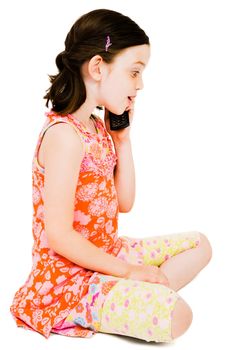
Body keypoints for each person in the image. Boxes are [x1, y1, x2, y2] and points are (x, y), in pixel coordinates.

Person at [10, 8, 212, 343]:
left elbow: (125, 202)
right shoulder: (64, 136)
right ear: (98, 67)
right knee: (179, 316)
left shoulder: (97, 129)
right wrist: (130, 271)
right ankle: (120, 294)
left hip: (107, 252)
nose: (141, 84)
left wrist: (122, 140)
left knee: (200, 244)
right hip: (69, 278)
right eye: (134, 72)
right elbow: (58, 235)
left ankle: (127, 292)